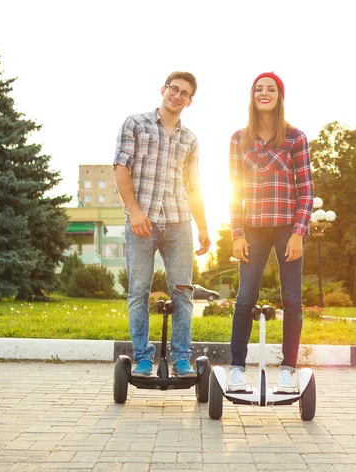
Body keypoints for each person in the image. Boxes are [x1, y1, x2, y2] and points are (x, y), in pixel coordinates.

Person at [113, 71, 210, 378]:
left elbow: (194, 187)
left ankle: (182, 357)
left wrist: (204, 228)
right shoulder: (135, 124)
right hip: (143, 222)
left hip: (179, 221)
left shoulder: (189, 139)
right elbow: (120, 167)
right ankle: (142, 358)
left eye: (185, 93)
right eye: (174, 89)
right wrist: (134, 211)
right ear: (164, 89)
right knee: (139, 291)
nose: (177, 95)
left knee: (183, 291)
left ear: (190, 101)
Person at [228, 72, 314, 392]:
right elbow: (233, 191)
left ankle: (288, 369)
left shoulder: (295, 137)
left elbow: (306, 189)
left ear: (279, 96)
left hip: (287, 228)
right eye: (259, 89)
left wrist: (298, 232)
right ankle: (237, 368)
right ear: (252, 96)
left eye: (271, 89)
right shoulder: (238, 139)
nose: (264, 93)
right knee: (244, 298)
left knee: (291, 299)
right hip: (253, 229)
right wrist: (237, 234)